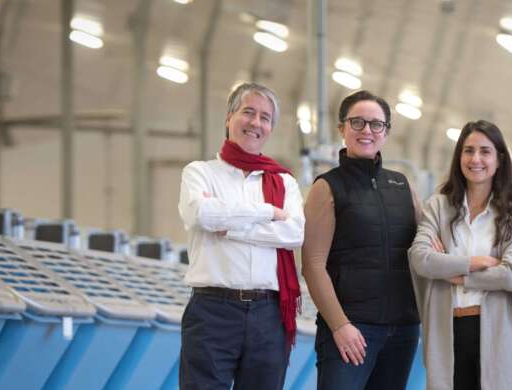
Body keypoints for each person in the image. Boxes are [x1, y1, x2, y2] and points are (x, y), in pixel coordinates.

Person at [177, 82, 304, 389]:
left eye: (265, 117)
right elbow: (202, 215)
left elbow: (295, 232)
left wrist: (229, 226)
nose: (255, 123)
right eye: (248, 112)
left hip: (268, 313)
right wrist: (267, 212)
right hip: (212, 310)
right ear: (229, 117)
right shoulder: (200, 172)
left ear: (271, 127)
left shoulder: (284, 182)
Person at [301, 90, 421, 390]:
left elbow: (431, 246)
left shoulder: (403, 184)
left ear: (386, 132)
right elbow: (313, 265)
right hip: (351, 330)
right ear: (342, 128)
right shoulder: (327, 187)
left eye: (376, 124)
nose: (367, 130)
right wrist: (340, 325)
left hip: (403, 330)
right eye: (357, 122)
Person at [409, 120, 512, 390]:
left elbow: (511, 276)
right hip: (447, 330)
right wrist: (474, 263)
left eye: (485, 151)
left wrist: (458, 277)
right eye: (468, 150)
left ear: (499, 159)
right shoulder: (437, 206)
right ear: (459, 157)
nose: (476, 159)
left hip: (497, 333)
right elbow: (420, 259)